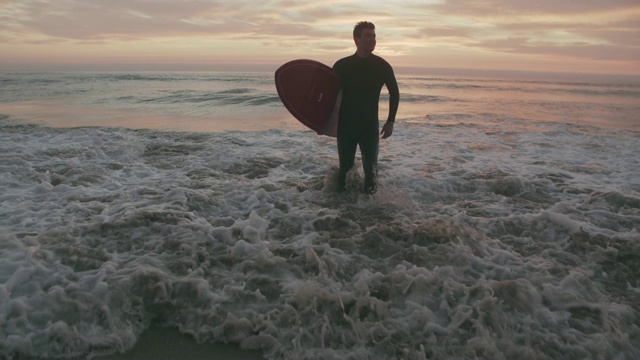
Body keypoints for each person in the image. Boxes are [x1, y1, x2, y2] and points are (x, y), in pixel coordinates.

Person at [333, 21, 400, 195]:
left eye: (374, 36)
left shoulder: (382, 66)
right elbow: (329, 96)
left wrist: (390, 121)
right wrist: (320, 122)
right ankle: (338, 211)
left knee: (371, 172)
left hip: (369, 127)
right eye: (368, 36)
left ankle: (370, 213)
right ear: (356, 39)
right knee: (345, 171)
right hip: (346, 126)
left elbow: (394, 92)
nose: (372, 40)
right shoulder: (342, 66)